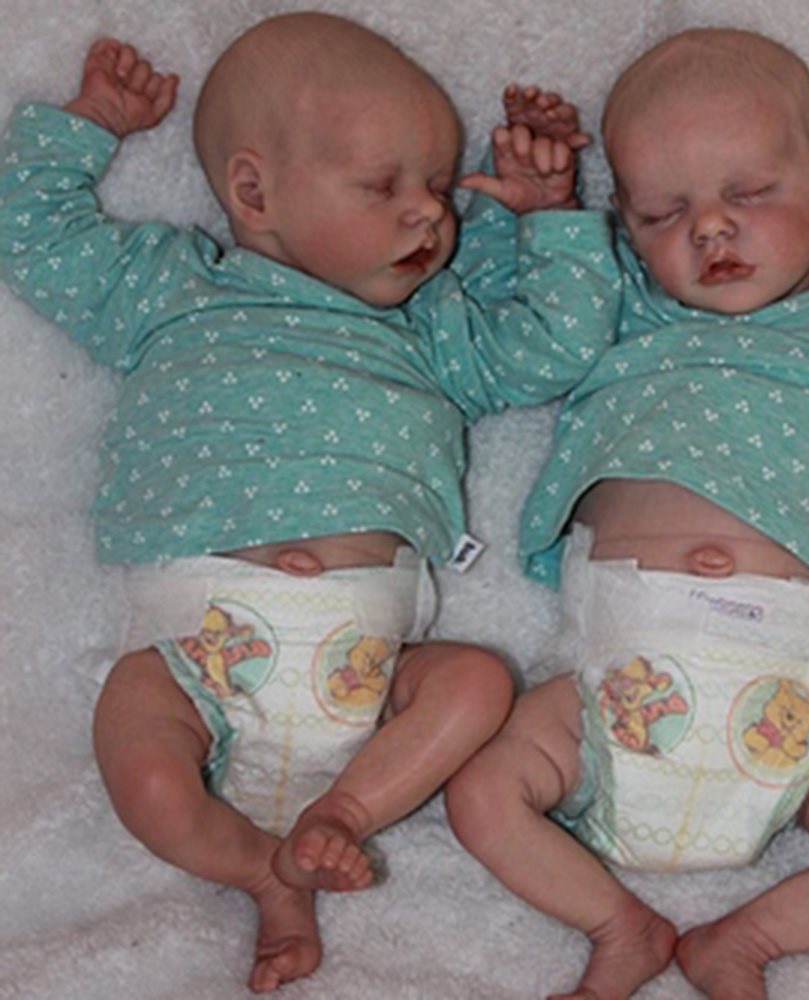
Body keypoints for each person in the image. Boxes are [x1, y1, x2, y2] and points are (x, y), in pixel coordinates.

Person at [0, 12, 617, 993]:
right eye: (384, 187)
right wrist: (88, 123)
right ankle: (261, 870)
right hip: (194, 657)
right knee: (137, 743)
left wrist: (547, 215)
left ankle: (345, 815)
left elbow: (550, 348)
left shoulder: (430, 326)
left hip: (370, 672)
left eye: (436, 188)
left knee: (474, 683)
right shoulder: (170, 291)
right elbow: (29, 232)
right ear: (253, 192)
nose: (427, 215)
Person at [446, 27, 809, 1000]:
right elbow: (516, 331)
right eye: (662, 212)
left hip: (792, 698)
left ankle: (741, 941)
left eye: (749, 194)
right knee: (480, 793)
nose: (708, 230)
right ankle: (618, 925)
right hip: (607, 682)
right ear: (625, 224)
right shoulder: (616, 302)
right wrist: (543, 215)